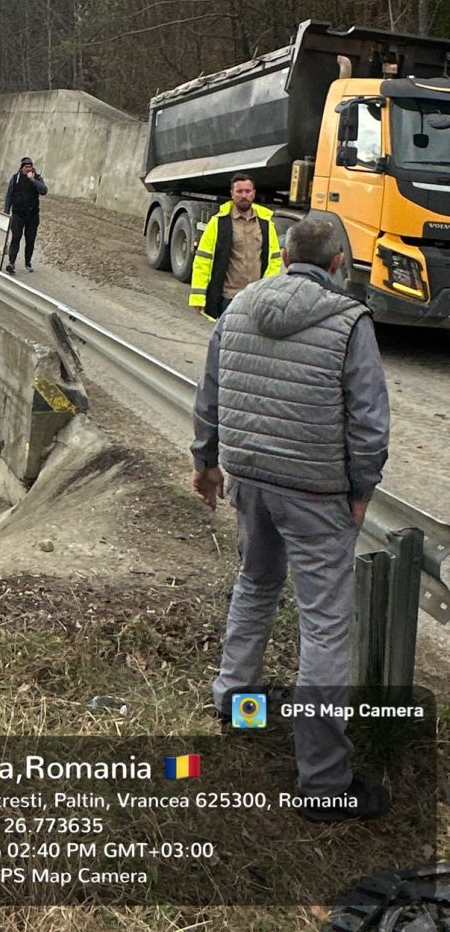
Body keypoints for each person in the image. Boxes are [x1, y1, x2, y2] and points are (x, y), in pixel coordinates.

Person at [191, 216, 391, 821]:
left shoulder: (242, 304)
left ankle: (236, 702)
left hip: (249, 479)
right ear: (337, 264)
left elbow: (210, 392)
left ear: (283, 255)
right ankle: (325, 781)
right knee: (326, 624)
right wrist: (362, 489)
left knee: (254, 585)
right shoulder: (349, 320)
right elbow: (370, 422)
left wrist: (206, 461)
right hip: (315, 490)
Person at [189, 171, 281, 318]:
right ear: (232, 194)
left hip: (255, 299)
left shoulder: (266, 224)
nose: (244, 195)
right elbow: (203, 260)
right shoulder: (219, 222)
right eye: (239, 191)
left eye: (247, 191)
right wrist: (198, 296)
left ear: (253, 193)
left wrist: (265, 290)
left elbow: (274, 261)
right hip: (228, 298)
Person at [3, 156, 47, 274]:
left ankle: (28, 263)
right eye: (26, 167)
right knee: (16, 237)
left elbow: (44, 191)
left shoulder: (37, 178)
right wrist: (6, 211)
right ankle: (11, 262)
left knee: (30, 239)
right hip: (18, 214)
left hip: (32, 215)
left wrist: (33, 180)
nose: (29, 169)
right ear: (22, 168)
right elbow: (9, 195)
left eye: (30, 167)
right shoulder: (15, 178)